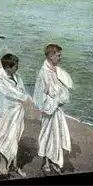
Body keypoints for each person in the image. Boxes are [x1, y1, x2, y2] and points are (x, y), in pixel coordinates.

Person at [32, 44, 74, 174]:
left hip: (56, 110)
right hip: (49, 110)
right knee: (47, 135)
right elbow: (39, 97)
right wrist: (54, 102)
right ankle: (45, 162)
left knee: (56, 136)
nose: (60, 58)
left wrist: (61, 98)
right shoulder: (43, 73)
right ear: (51, 56)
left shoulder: (55, 70)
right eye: (58, 55)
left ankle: (52, 160)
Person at [0, 54, 29, 177]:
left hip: (16, 113)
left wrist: (21, 98)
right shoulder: (0, 81)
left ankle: (15, 165)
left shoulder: (16, 77)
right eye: (15, 66)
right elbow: (14, 96)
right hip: (5, 115)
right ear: (8, 67)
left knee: (15, 139)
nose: (17, 68)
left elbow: (21, 92)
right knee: (7, 139)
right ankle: (3, 165)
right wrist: (21, 97)